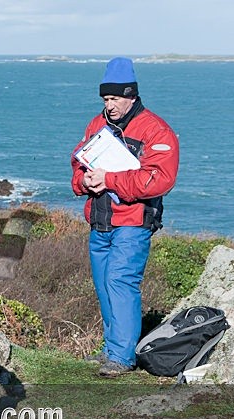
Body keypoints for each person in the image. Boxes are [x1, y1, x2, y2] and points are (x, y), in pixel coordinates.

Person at [70, 57, 179, 377]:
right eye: (106, 98)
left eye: (115, 98)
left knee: (120, 281)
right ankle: (111, 349)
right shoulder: (96, 124)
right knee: (105, 285)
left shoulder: (156, 130)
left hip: (133, 221)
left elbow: (160, 179)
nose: (110, 104)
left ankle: (121, 355)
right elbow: (78, 161)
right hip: (100, 220)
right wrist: (83, 180)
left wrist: (110, 180)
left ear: (131, 95)